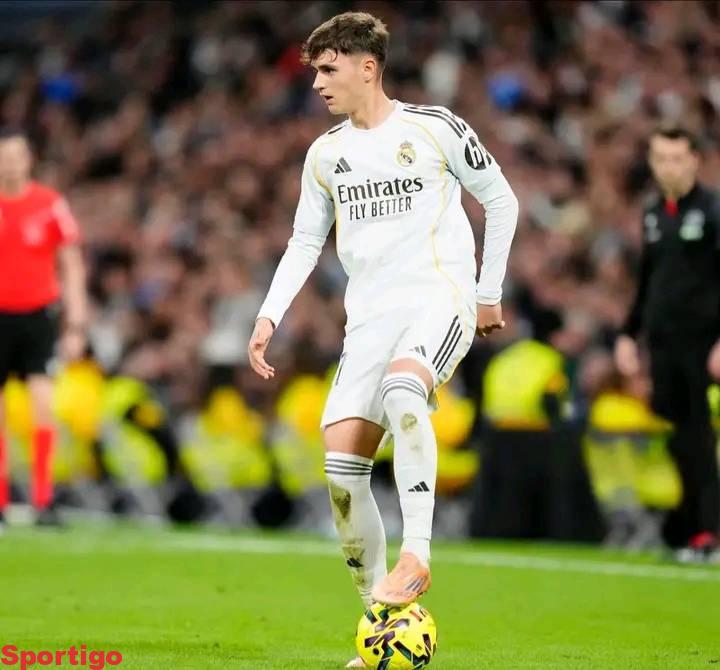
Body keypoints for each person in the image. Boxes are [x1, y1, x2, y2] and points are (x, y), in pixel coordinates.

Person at [247, 12, 518, 667]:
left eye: (328, 69)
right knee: (341, 469)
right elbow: (305, 241)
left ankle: (416, 553)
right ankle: (381, 625)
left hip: (438, 297)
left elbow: (501, 199)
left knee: (403, 391)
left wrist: (488, 292)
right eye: (315, 71)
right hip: (368, 319)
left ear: (367, 68)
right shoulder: (325, 155)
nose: (317, 83)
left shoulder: (434, 127)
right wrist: (268, 315)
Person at [615, 126, 720, 562]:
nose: (668, 167)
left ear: (695, 160)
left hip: (702, 344)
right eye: (660, 159)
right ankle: (688, 529)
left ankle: (709, 533)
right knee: (677, 436)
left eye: (677, 158)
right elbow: (648, 281)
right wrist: (628, 334)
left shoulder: (712, 210)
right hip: (663, 345)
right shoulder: (655, 213)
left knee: (699, 435)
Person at [0, 128, 88, 528]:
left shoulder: (50, 204)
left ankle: (43, 498)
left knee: (43, 406)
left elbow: (71, 264)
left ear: (29, 160)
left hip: (38, 316)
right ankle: (2, 499)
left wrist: (76, 323)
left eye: (16, 156)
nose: (10, 164)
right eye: (4, 157)